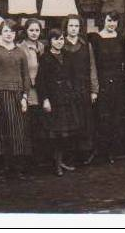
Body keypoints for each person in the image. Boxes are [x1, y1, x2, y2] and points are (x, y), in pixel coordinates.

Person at [0, 19, 33, 181]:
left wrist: (25, 97)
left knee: (17, 133)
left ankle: (17, 169)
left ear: (15, 34)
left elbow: (26, 76)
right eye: (5, 31)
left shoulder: (20, 52)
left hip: (17, 97)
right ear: (0, 33)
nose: (9, 34)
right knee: (0, 132)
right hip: (0, 97)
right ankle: (1, 171)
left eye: (11, 32)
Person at [36, 29, 82, 176]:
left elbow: (74, 76)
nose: (59, 42)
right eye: (56, 39)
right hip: (53, 99)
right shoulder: (45, 58)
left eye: (61, 39)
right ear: (50, 41)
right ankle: (56, 164)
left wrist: (74, 93)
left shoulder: (68, 56)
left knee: (66, 133)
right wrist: (45, 99)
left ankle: (62, 161)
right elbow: (41, 81)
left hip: (67, 98)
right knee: (56, 133)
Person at [87, 11, 125, 164]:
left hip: (117, 82)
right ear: (103, 21)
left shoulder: (121, 39)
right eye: (109, 20)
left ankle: (112, 151)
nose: (112, 24)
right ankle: (99, 150)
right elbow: (93, 63)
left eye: (115, 21)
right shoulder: (95, 38)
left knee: (115, 117)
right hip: (102, 82)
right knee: (101, 117)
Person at [63, 14, 99, 166]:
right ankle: (69, 156)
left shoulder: (86, 45)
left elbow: (92, 67)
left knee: (84, 122)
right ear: (66, 27)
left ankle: (84, 155)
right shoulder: (61, 44)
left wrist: (94, 89)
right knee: (70, 122)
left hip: (83, 88)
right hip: (66, 90)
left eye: (76, 26)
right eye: (71, 26)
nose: (73, 29)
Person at [18, 18, 46, 153]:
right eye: (31, 30)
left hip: (42, 90)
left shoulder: (42, 47)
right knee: (29, 123)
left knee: (41, 124)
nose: (34, 33)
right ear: (26, 31)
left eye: (37, 30)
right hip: (29, 91)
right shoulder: (20, 48)